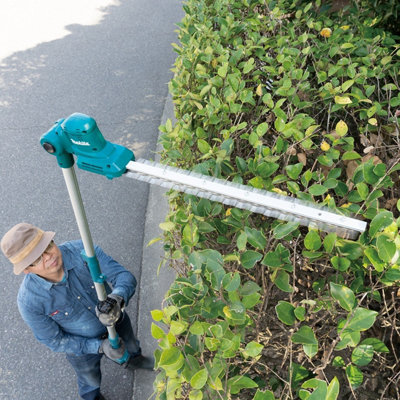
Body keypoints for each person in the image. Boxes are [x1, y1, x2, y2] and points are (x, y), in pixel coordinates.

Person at [1, 222, 153, 400]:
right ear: (26, 269)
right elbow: (55, 341)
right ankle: (92, 397)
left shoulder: (83, 250)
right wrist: (99, 347)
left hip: (116, 317)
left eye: (47, 246)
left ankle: (135, 360)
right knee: (90, 380)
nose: (48, 257)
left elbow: (124, 276)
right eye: (36, 259)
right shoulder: (29, 302)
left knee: (131, 344)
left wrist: (116, 298)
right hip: (82, 348)